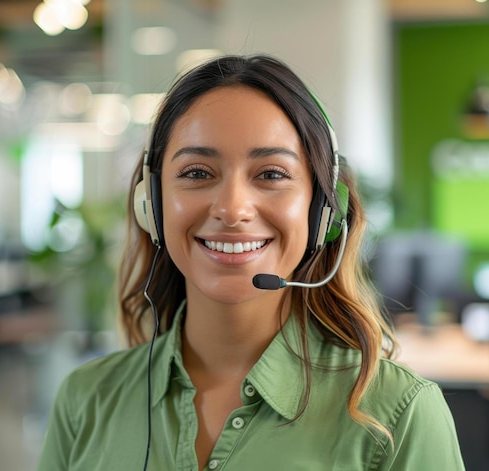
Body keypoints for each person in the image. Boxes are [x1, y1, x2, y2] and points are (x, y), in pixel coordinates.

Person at [37, 54, 465, 470]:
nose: (232, 208)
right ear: (151, 204)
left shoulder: (396, 415)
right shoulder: (87, 399)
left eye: (272, 174)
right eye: (197, 173)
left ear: (324, 213)